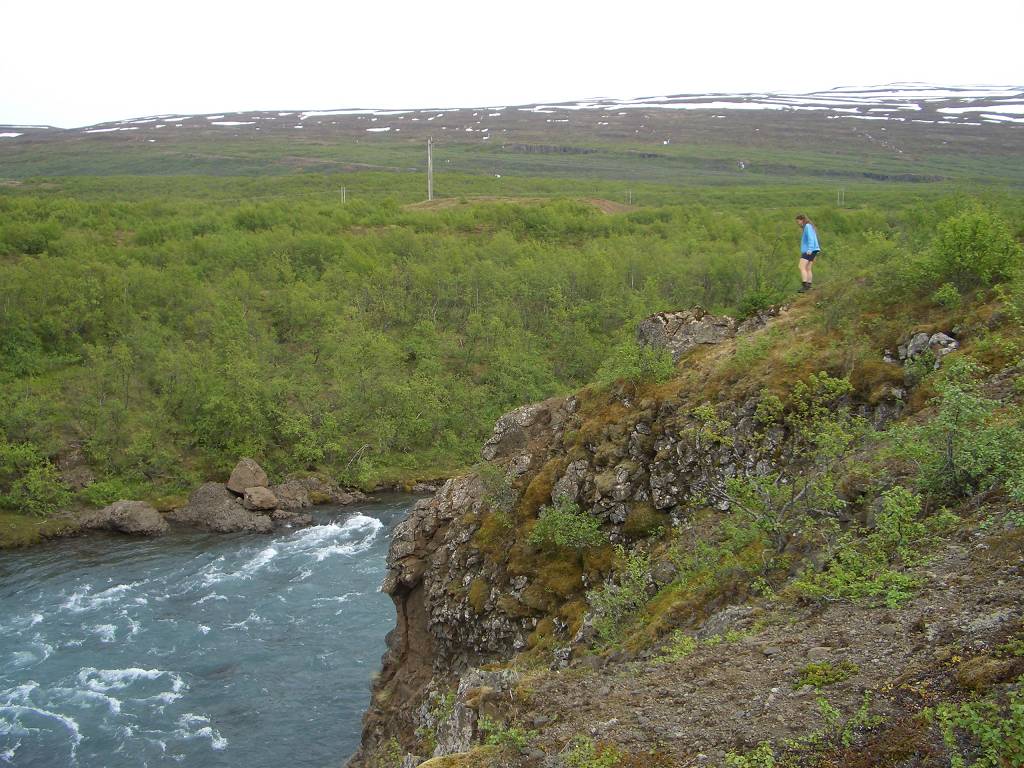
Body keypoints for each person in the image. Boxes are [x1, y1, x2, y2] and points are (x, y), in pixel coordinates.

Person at [796, 214, 820, 292]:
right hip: (814, 249)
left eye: (798, 221)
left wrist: (809, 249)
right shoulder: (809, 226)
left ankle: (805, 286)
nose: (797, 223)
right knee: (808, 268)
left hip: (809, 250)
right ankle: (809, 286)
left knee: (801, 267)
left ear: (802, 220)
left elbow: (811, 238)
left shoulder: (807, 226)